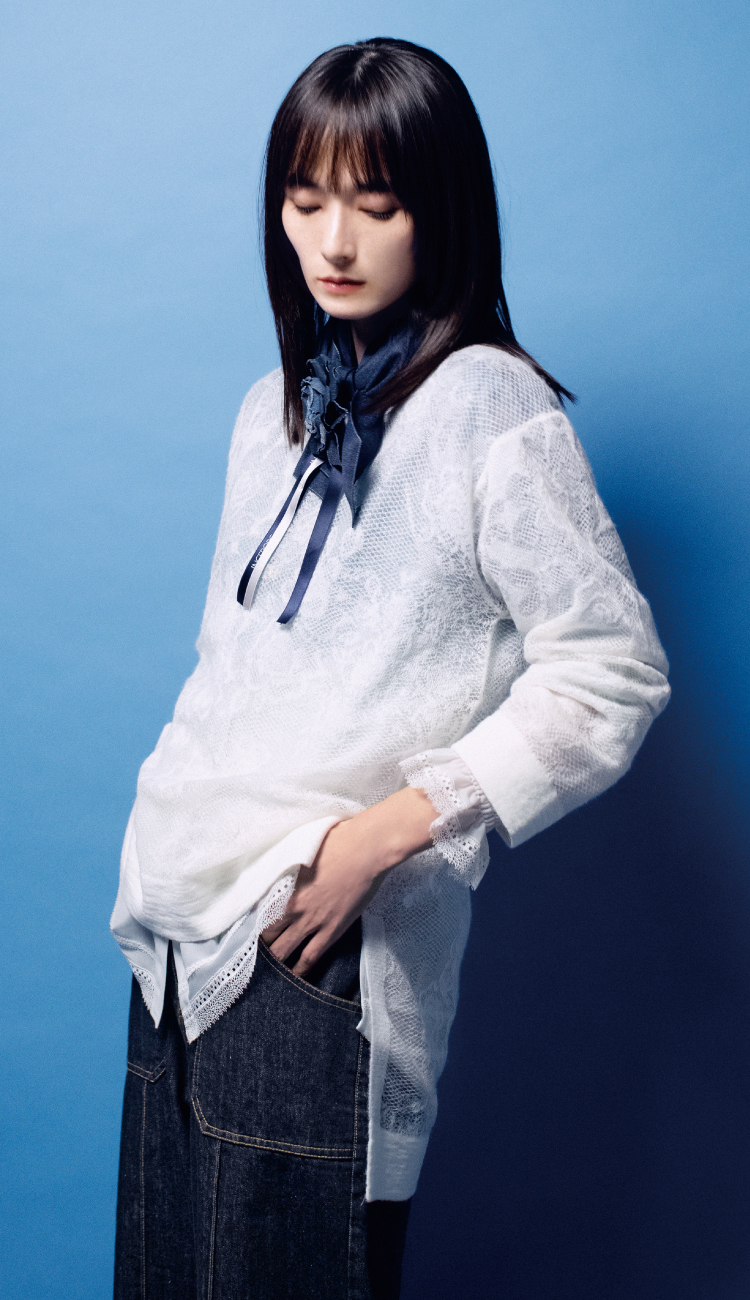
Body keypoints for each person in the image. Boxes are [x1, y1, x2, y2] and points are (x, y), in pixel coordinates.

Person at [110, 37, 670, 1300]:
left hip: (323, 947)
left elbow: (612, 672)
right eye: (306, 199)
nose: (335, 240)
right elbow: (231, 655)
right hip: (174, 942)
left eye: (377, 203)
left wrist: (386, 833)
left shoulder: (490, 407)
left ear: (443, 209)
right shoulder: (273, 409)